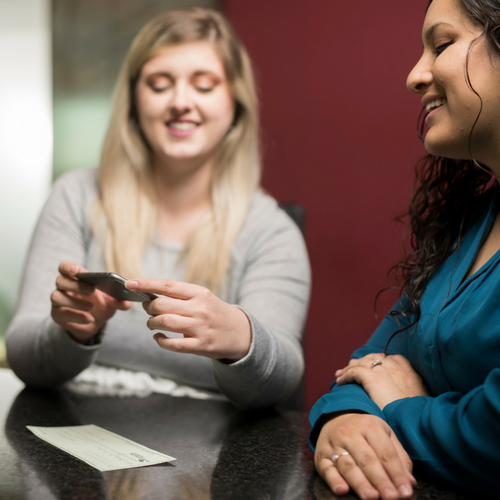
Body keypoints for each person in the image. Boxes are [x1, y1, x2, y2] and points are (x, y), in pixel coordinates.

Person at [5, 7, 310, 409]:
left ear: (235, 105)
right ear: (133, 102)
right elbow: (24, 357)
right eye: (159, 84)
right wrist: (74, 332)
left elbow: (280, 382)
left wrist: (241, 337)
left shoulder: (270, 231)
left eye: (204, 86)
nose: (180, 102)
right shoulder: (75, 196)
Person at [309, 0, 500, 498]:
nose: (415, 76)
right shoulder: (470, 225)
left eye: (442, 44)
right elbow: (371, 360)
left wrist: (399, 410)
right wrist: (345, 420)